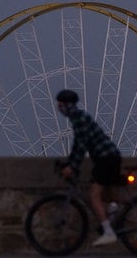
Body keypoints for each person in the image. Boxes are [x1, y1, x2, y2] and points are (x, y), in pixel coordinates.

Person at [55, 89, 122, 246]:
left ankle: (109, 232)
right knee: (106, 194)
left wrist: (72, 166)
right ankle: (116, 208)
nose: (59, 108)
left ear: (68, 105)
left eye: (61, 105)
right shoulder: (78, 117)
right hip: (108, 158)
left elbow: (81, 145)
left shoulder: (79, 118)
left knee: (94, 196)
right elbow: (78, 144)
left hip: (105, 159)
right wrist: (70, 162)